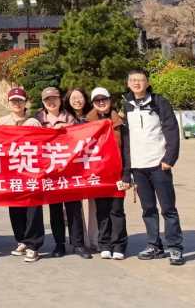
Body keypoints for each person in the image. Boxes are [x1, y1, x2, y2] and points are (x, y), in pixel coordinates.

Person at [123, 68, 185, 266]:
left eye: (140, 80)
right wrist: (128, 169)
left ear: (147, 82)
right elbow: (125, 139)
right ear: (128, 84)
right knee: (148, 209)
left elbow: (171, 130)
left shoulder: (159, 102)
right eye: (133, 80)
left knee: (168, 208)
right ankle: (154, 245)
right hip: (138, 167)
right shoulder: (125, 105)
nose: (136, 83)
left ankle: (175, 247)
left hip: (159, 164)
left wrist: (169, 158)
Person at [35, 87, 91, 259]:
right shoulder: (37, 120)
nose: (51, 102)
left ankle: (78, 244)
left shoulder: (70, 117)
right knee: (55, 209)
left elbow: (81, 136)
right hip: (50, 171)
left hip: (70, 170)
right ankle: (59, 244)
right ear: (43, 102)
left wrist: (67, 128)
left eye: (54, 99)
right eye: (47, 100)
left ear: (60, 100)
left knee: (74, 208)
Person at [0, 87, 44, 263]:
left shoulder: (33, 122)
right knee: (15, 208)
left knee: (33, 209)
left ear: (26, 103)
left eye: (20, 100)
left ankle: (33, 245)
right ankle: (22, 240)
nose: (17, 103)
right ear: (9, 102)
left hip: (31, 172)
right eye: (13, 100)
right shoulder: (2, 122)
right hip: (12, 172)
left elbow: (42, 145)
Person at [86, 87, 130, 260]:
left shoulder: (120, 123)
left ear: (110, 100)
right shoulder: (87, 123)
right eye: (97, 100)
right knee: (102, 210)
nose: (101, 102)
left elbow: (126, 150)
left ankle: (119, 244)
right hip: (98, 174)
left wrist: (127, 174)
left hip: (117, 174)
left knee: (117, 210)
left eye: (104, 99)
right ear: (93, 103)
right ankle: (105, 243)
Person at [63, 87, 98, 250]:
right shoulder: (66, 118)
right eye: (73, 98)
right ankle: (80, 240)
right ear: (68, 101)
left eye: (80, 97)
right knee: (74, 205)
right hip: (72, 167)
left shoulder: (94, 117)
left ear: (85, 98)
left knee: (94, 203)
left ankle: (96, 239)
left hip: (91, 165)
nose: (77, 101)